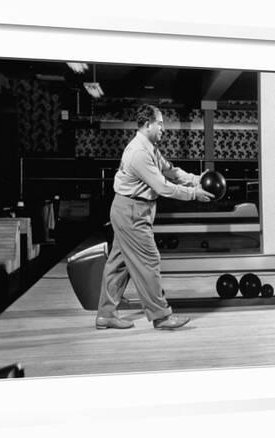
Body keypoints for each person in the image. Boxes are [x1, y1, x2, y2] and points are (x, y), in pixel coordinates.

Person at [96, 104, 214, 331]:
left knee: (118, 265)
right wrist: (194, 194)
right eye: (160, 123)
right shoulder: (139, 153)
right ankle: (161, 316)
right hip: (132, 213)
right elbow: (163, 186)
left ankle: (106, 314)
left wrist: (196, 179)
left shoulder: (149, 148)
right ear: (148, 124)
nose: (163, 128)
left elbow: (171, 171)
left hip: (129, 210)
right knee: (150, 261)